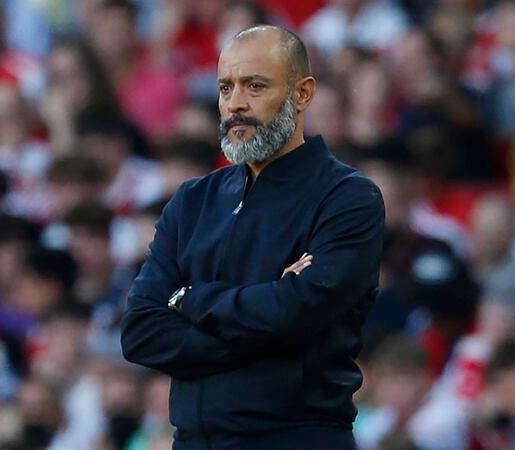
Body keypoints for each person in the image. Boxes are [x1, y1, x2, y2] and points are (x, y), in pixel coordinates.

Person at [120, 25, 385, 449]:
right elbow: (139, 331)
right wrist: (263, 330)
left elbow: (298, 310)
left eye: (255, 86)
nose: (236, 103)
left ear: (302, 94)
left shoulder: (347, 197)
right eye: (226, 88)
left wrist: (190, 299)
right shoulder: (192, 200)